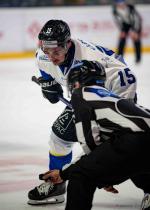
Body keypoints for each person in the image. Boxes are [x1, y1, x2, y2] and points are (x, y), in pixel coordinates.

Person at [27, 19, 137, 205]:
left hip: (115, 98)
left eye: (57, 51)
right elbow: (45, 66)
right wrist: (48, 84)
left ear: (68, 44)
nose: (51, 56)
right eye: (47, 50)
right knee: (58, 136)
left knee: (130, 145)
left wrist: (103, 170)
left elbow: (126, 83)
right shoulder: (44, 54)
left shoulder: (102, 65)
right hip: (85, 98)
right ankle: (57, 185)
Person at [40, 60, 150, 210]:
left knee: (80, 175)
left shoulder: (81, 94)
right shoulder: (108, 97)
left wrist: (98, 174)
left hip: (139, 141)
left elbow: (90, 144)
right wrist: (64, 173)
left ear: (76, 83)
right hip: (141, 141)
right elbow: (109, 149)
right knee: (135, 163)